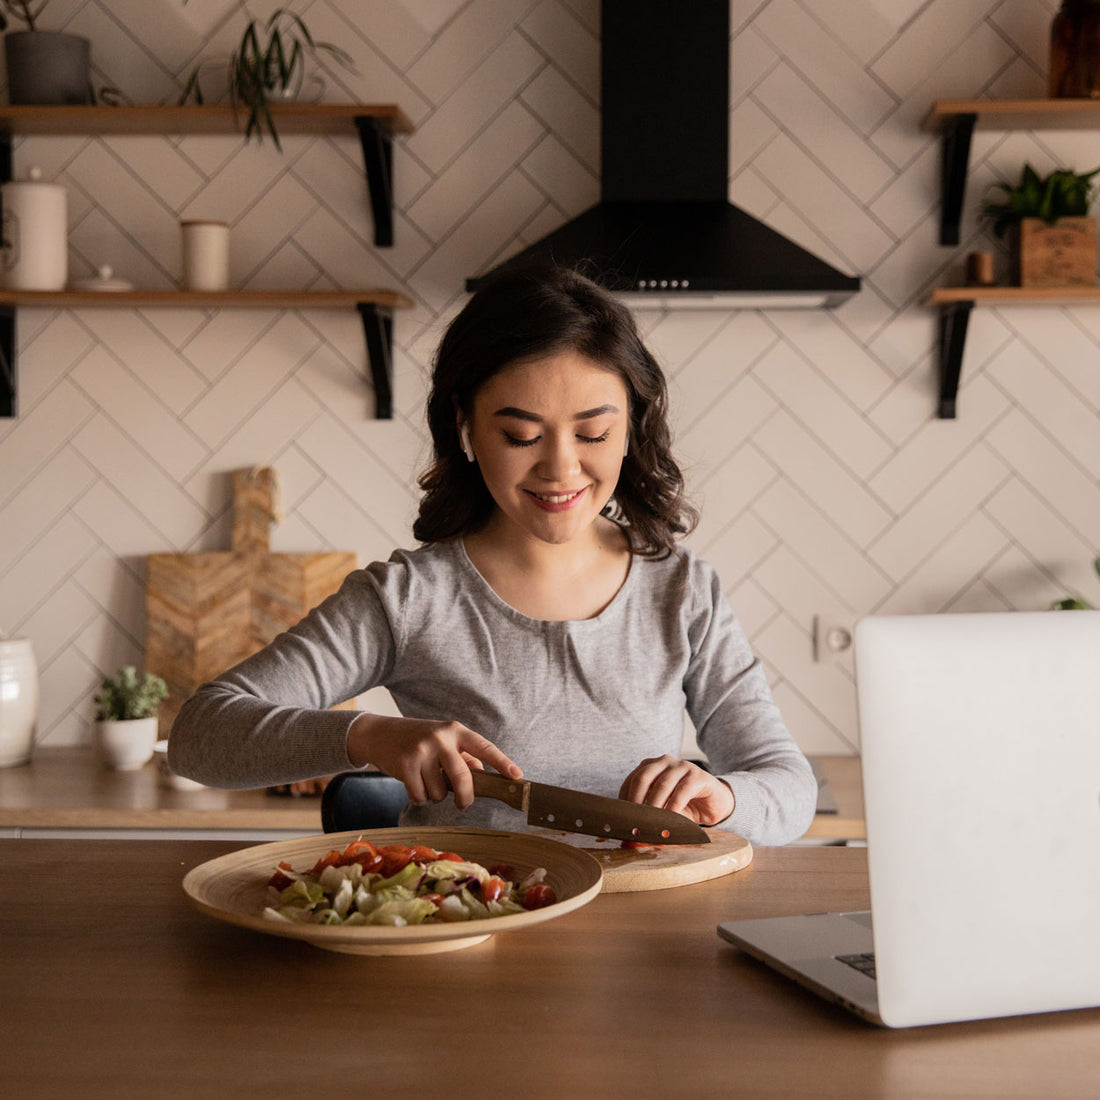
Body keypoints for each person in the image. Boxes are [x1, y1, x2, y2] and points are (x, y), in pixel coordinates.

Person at [168, 265, 816, 845]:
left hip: (635, 950)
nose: (561, 468)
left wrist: (726, 797)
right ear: (466, 428)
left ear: (632, 426)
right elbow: (200, 737)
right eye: (521, 435)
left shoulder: (682, 594)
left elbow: (789, 788)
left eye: (593, 432)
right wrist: (365, 737)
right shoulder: (408, 598)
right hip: (470, 947)